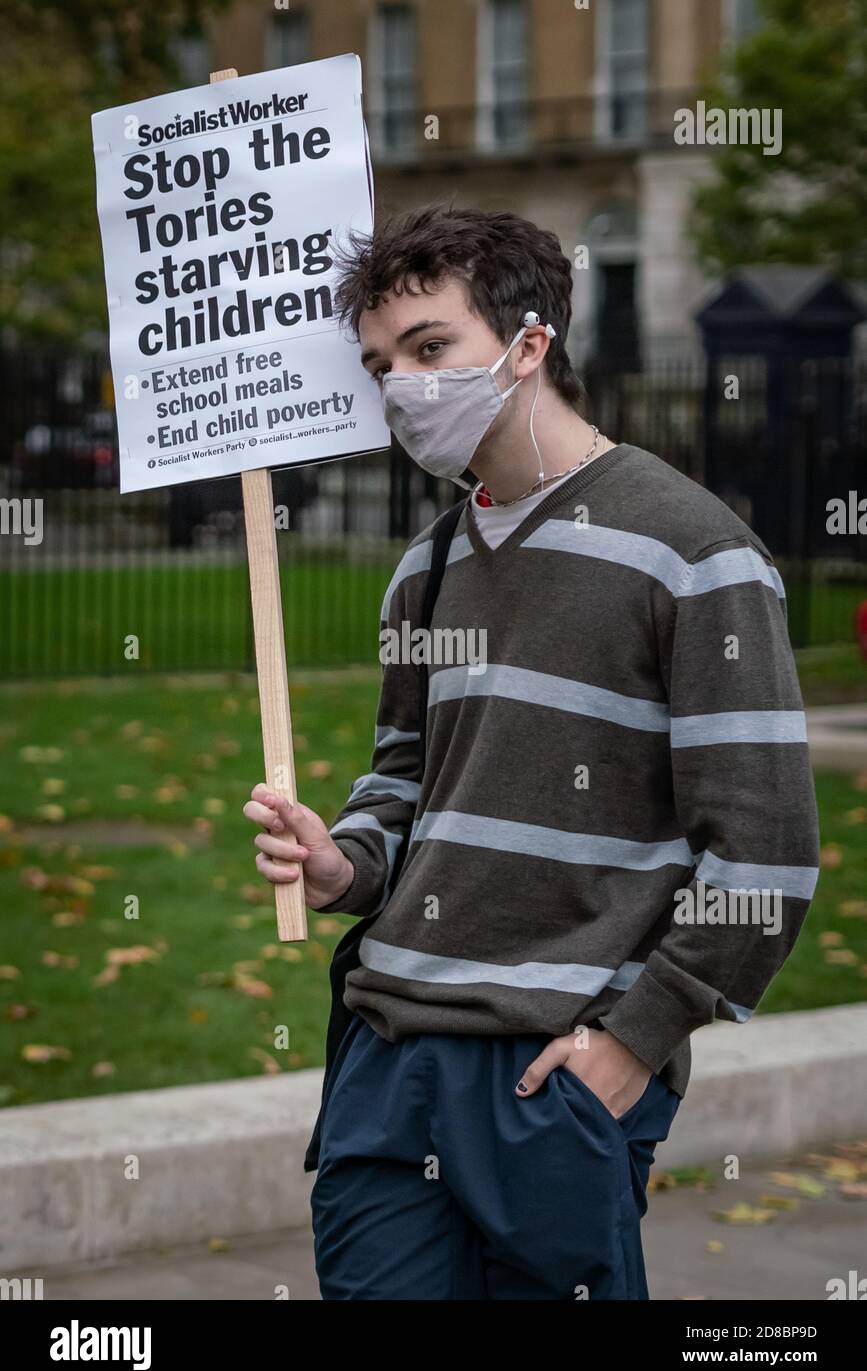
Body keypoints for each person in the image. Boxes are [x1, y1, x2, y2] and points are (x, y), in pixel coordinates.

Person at [242, 203, 820, 1300]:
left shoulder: (694, 551)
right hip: (387, 1051)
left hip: (550, 1073)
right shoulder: (428, 564)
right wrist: (342, 864)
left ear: (530, 344)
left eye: (429, 349)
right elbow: (404, 779)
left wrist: (632, 1044)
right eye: (379, 364)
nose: (403, 385)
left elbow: (767, 850)